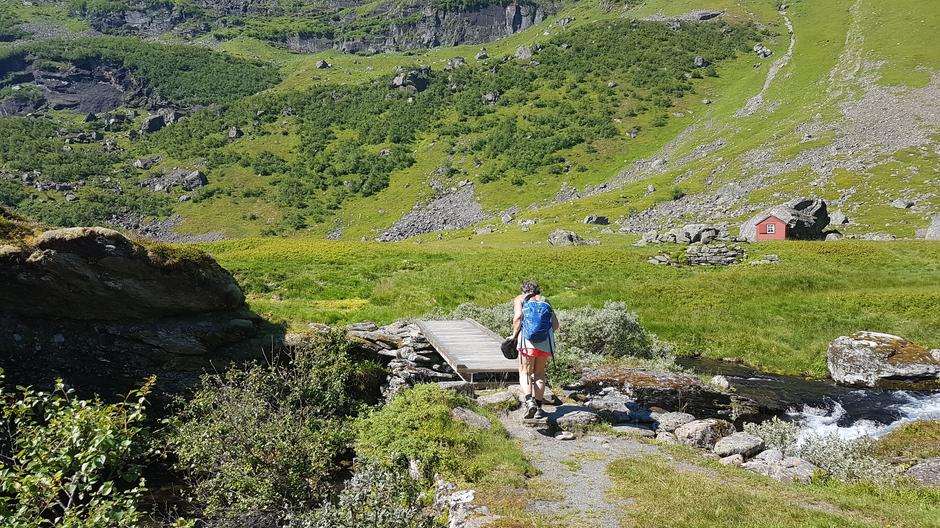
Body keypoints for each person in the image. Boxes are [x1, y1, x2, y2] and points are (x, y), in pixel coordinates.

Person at [511, 280, 559, 420]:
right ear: (538, 290)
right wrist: (543, 333)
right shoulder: (546, 301)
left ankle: (529, 401)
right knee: (539, 373)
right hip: (545, 342)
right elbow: (555, 325)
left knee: (525, 372)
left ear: (523, 290)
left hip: (527, 341)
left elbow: (518, 318)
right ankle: (538, 408)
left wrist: (513, 336)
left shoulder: (520, 299)